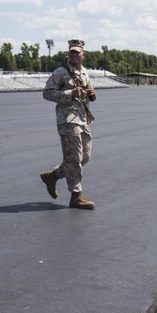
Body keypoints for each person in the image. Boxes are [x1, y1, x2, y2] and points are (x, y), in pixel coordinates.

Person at [41, 38, 97, 209]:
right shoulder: (60, 72)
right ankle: (76, 195)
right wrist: (69, 93)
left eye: (77, 52)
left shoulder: (84, 72)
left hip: (83, 118)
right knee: (74, 158)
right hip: (67, 119)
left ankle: (53, 176)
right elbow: (47, 93)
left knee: (84, 156)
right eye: (71, 52)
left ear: (83, 55)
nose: (74, 55)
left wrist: (91, 94)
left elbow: (86, 93)